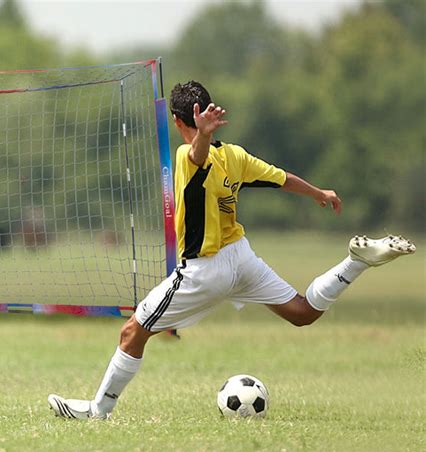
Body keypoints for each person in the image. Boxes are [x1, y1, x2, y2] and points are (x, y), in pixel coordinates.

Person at [48, 81, 415, 420]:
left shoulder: (184, 155)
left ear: (178, 120)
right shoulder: (235, 155)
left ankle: (99, 410)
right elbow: (280, 177)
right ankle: (354, 262)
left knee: (132, 332)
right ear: (205, 111)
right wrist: (319, 192)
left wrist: (201, 137)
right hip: (241, 257)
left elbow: (196, 156)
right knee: (302, 312)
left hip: (204, 270)